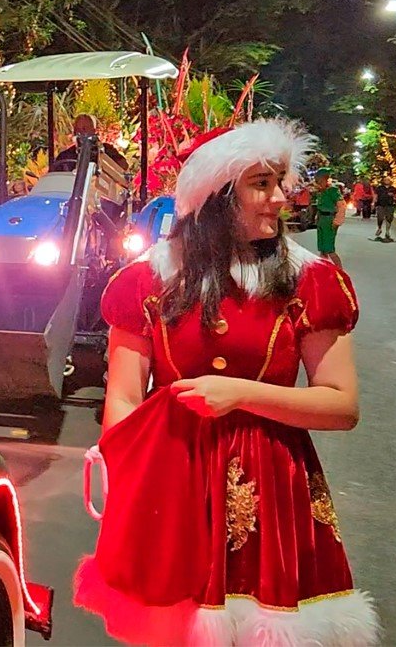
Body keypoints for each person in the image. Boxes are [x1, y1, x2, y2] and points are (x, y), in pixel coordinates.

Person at [73, 119, 377, 645]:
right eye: (262, 184)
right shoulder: (147, 280)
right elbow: (123, 396)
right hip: (174, 478)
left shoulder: (311, 281)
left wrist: (240, 394)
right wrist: (127, 473)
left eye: (281, 181)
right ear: (214, 197)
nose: (282, 197)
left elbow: (341, 405)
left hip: (272, 488)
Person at [313, 172, 344, 267]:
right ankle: (324, 269)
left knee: (329, 249)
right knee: (322, 248)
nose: (318, 183)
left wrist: (338, 220)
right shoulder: (320, 192)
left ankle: (340, 270)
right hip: (321, 219)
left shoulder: (333, 190)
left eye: (320, 181)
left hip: (330, 219)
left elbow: (341, 205)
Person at [372, 175, 396, 242]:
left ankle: (387, 231)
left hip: (390, 205)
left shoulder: (393, 189)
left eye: (388, 180)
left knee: (389, 218)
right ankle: (379, 228)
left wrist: (393, 196)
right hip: (381, 205)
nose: (387, 181)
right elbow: (376, 195)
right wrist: (373, 202)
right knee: (380, 217)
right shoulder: (379, 188)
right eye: (386, 180)